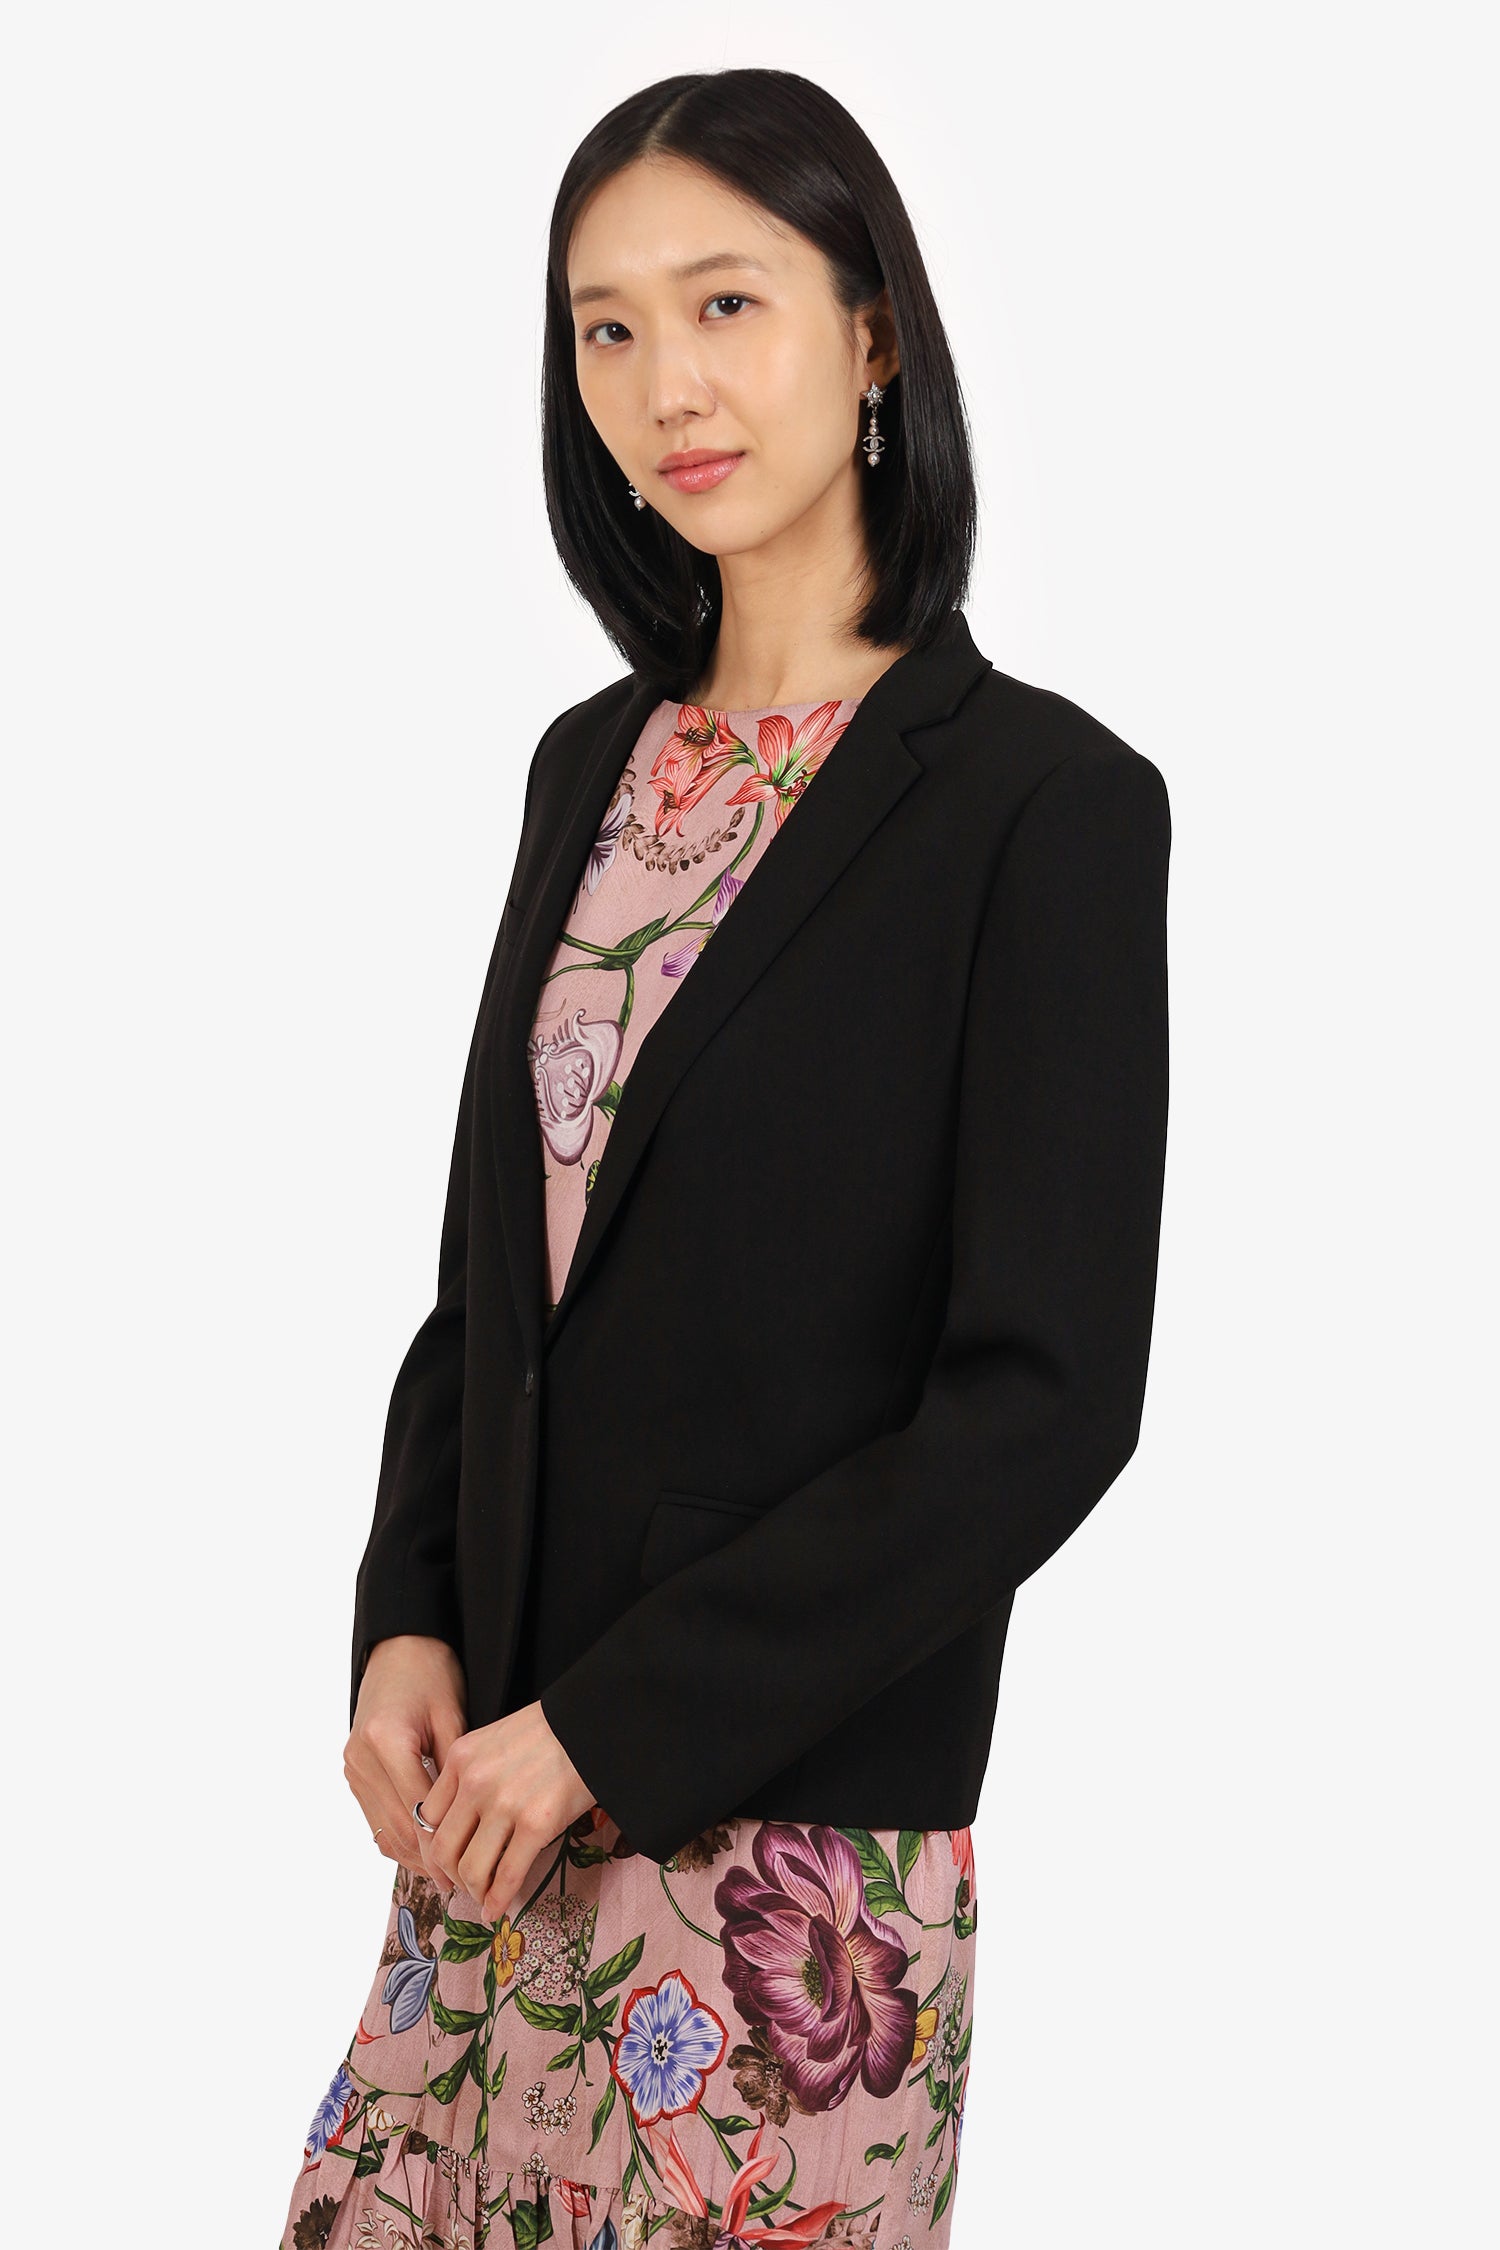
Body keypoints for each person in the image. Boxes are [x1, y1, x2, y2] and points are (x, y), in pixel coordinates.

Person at [282, 65, 1171, 2250]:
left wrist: (609, 1725)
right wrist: (405, 1621)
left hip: (788, 1890)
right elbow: (497, 1280)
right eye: (605, 326)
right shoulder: (585, 767)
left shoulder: (1044, 810)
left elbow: (1041, 1405)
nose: (663, 382)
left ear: (874, 335)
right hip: (487, 1845)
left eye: (724, 304)